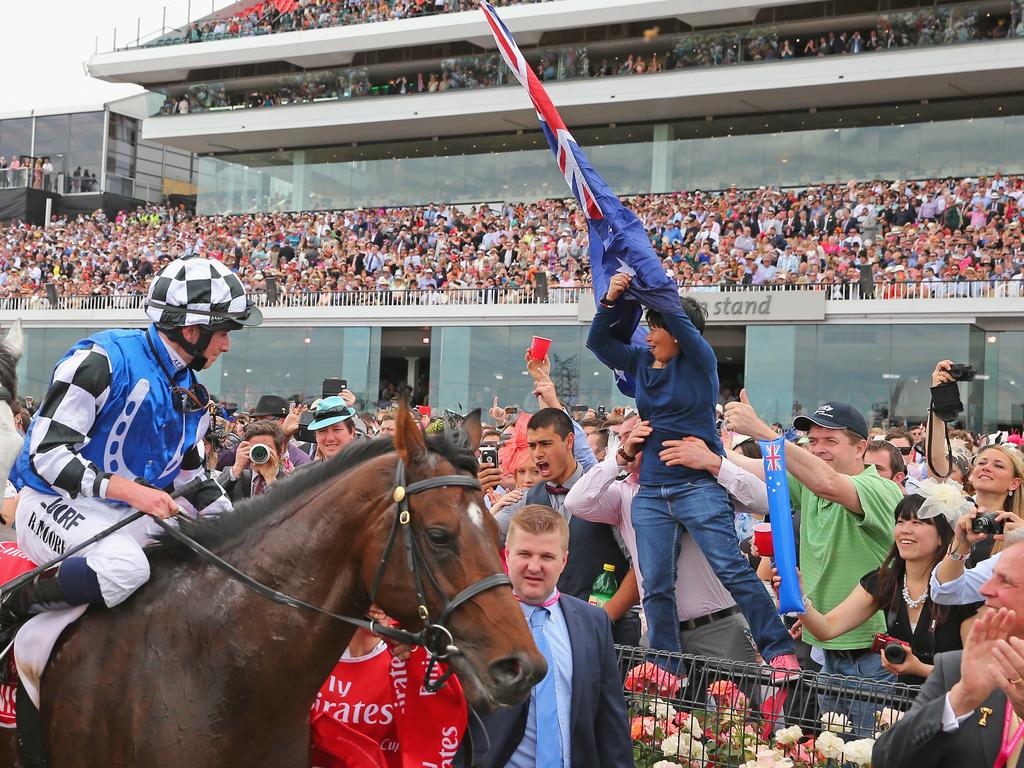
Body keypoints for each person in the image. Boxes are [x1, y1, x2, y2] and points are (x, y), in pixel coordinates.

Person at [1, 256, 261, 640]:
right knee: (125, 568)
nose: (227, 344)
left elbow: (195, 481)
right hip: (48, 501)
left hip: (120, 512)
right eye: (224, 332)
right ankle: (13, 606)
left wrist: (246, 529)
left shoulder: (191, 393)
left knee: (205, 559)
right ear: (192, 331)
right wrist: (133, 492)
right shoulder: (101, 360)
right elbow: (46, 456)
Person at [588, 272, 798, 673]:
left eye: (655, 329)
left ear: (678, 334)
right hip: (651, 490)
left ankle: (776, 647)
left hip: (696, 485)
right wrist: (611, 301)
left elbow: (681, 319)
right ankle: (666, 666)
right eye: (648, 329)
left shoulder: (701, 363)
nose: (648, 337)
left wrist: (656, 290)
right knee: (655, 584)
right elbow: (598, 343)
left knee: (731, 567)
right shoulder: (639, 361)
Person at [723, 395, 904, 731]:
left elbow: (828, 483)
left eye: (831, 441)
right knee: (830, 754)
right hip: (826, 649)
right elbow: (754, 471)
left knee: (866, 756)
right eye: (812, 441)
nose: (818, 449)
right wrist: (710, 448)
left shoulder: (880, 488)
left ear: (860, 447)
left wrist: (762, 432)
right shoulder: (810, 487)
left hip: (873, 658)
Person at [565, 413, 756, 662]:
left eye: (637, 436)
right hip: (660, 631)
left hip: (719, 627)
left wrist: (714, 463)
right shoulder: (624, 494)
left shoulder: (701, 483)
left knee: (737, 701)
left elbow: (763, 500)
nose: (629, 443)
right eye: (622, 438)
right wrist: (621, 458)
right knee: (652, 703)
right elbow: (576, 502)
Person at [462, 505, 633, 768]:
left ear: (563, 561)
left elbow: (610, 720)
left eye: (546, 557)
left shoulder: (592, 622)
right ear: (507, 554)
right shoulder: (474, 623)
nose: (534, 566)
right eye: (524, 554)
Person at [791, 491, 979, 687]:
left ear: (942, 536)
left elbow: (976, 671)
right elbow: (827, 628)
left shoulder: (965, 591)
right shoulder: (885, 581)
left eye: (917, 523)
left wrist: (919, 669)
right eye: (900, 521)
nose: (905, 530)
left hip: (953, 706)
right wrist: (797, 597)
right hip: (901, 707)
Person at [872, 531, 1024, 768]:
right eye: (992, 576)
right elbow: (887, 760)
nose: (984, 589)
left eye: (1005, 581)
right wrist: (960, 699)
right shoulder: (956, 669)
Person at [310, 607, 467, 768]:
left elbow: (436, 736)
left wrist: (417, 669)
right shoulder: (308, 652)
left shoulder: (413, 656)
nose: (378, 605)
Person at [218, 419, 294, 501]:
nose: (260, 452)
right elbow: (210, 501)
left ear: (281, 449)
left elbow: (285, 508)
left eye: (267, 448)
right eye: (255, 448)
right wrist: (237, 467)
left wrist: (271, 480)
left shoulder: (292, 480)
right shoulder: (238, 476)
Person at [306, 396, 359, 462]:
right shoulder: (305, 471)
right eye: (322, 431)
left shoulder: (370, 469)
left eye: (336, 430)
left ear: (352, 432)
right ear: (316, 436)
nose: (330, 438)